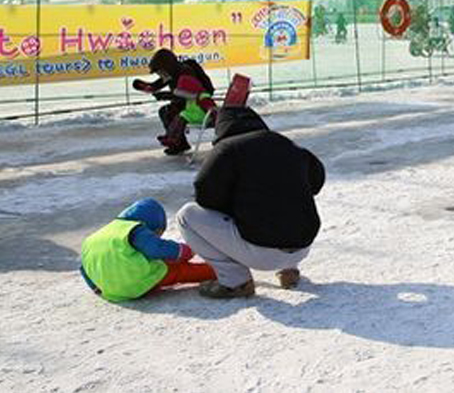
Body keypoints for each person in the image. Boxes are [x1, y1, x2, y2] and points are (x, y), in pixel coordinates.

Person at [178, 105, 325, 298]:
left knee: (186, 215)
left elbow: (205, 194)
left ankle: (235, 282)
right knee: (286, 202)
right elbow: (317, 179)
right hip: (302, 246)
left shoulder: (227, 148)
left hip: (260, 252)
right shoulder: (286, 144)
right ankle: (289, 271)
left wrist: (233, 207)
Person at [80, 198, 215, 302]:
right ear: (150, 223)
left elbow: (83, 267)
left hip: (111, 291)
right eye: (157, 233)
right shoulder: (135, 229)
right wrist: (186, 251)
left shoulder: (95, 237)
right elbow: (156, 248)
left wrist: (97, 288)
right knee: (178, 270)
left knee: (156, 262)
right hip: (136, 281)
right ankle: (217, 271)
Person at [131, 48, 216, 155]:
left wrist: (166, 96)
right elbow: (157, 85)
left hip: (195, 104)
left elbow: (189, 93)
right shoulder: (171, 73)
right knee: (165, 111)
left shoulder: (185, 72)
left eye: (159, 71)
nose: (159, 74)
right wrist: (144, 86)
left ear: (165, 66)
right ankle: (178, 143)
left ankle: (176, 142)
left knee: (168, 112)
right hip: (184, 102)